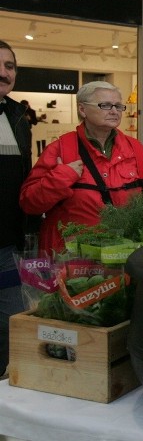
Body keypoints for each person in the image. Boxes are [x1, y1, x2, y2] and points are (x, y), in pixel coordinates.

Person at [20, 81, 143, 256]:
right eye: (105, 105)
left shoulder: (136, 149)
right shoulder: (61, 149)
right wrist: (63, 176)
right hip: (73, 260)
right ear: (82, 109)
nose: (114, 111)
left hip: (124, 255)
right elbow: (30, 203)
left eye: (118, 106)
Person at [0, 40, 35, 377]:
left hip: (8, 245)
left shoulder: (16, 114)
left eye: (9, 66)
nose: (3, 72)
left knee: (11, 324)